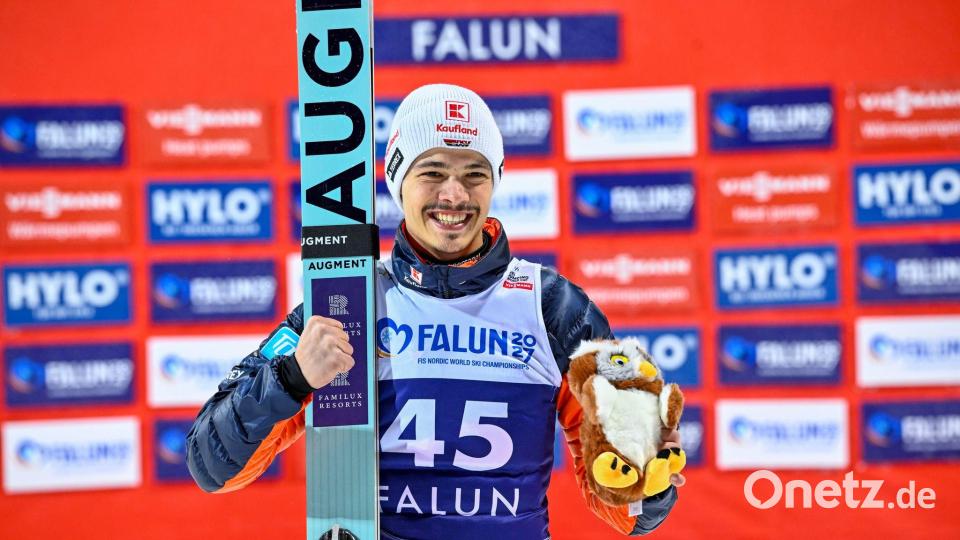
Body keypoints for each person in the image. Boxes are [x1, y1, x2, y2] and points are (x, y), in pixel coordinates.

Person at [186, 84, 680, 539]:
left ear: (495, 182)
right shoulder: (346, 304)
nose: (454, 195)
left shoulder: (554, 307)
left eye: (474, 174)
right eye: (433, 172)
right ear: (398, 181)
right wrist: (292, 378)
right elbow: (211, 466)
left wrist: (647, 479)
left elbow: (625, 506)